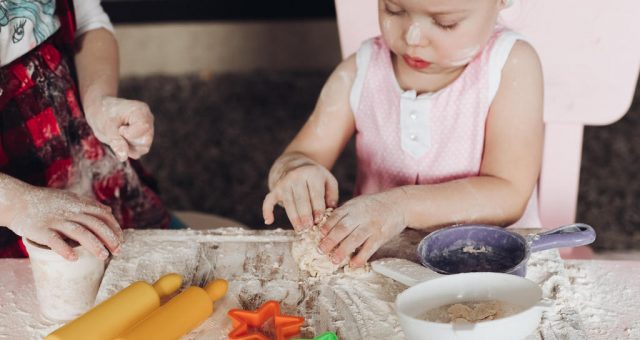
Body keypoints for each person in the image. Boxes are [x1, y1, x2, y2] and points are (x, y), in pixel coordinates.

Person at [263, 0, 543, 268]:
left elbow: (509, 194)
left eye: (446, 23)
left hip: (493, 262)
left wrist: (401, 206)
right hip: (380, 259)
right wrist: (296, 171)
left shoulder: (510, 64)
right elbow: (300, 155)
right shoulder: (362, 69)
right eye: (394, 9)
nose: (413, 37)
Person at [0, 0, 170, 261]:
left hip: (79, 158)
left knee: (130, 255)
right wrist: (17, 205)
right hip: (10, 211)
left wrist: (98, 101)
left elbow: (89, 24)